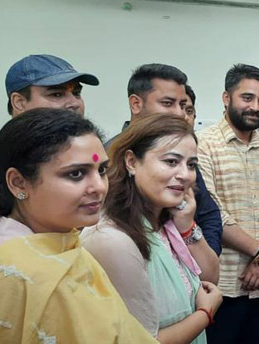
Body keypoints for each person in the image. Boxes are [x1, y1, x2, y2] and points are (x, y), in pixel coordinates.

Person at [0, 108, 156, 343]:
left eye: (101, 170)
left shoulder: (61, 243)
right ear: (18, 183)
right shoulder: (31, 274)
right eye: (76, 174)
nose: (99, 187)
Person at [82, 113, 222, 343]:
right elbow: (144, 340)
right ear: (131, 162)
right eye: (171, 161)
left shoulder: (167, 220)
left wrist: (188, 227)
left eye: (191, 165)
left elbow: (210, 279)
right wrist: (204, 314)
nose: (185, 175)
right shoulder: (113, 239)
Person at [196, 64, 259, 343]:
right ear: (226, 98)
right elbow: (211, 214)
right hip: (220, 282)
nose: (256, 107)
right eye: (247, 98)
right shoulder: (204, 144)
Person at [109, 63, 225, 255]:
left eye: (182, 105)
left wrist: (197, 268)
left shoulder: (185, 154)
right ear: (136, 104)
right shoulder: (108, 156)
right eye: (167, 103)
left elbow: (208, 214)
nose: (179, 113)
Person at [0, 54, 100, 185]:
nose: (74, 103)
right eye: (57, 94)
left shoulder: (98, 156)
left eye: (76, 93)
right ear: (19, 102)